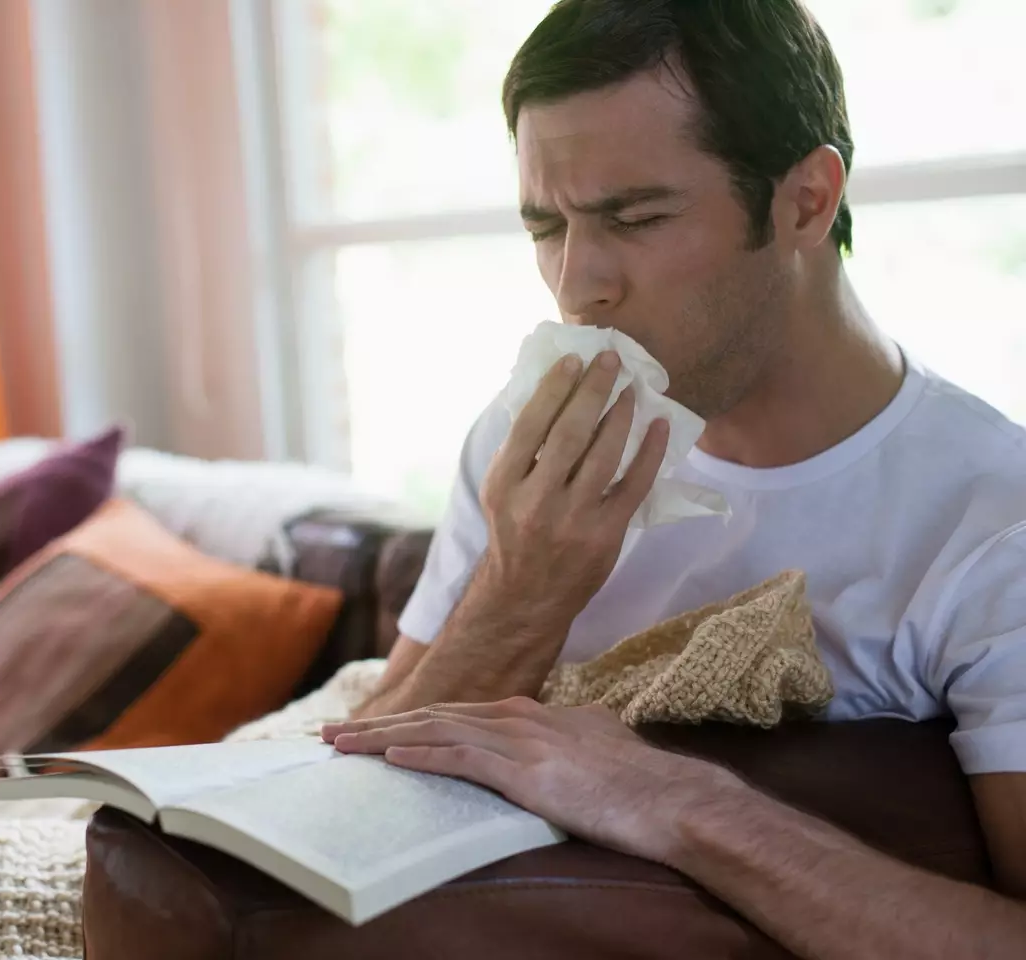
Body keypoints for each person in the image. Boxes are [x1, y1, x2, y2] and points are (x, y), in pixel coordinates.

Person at [320, 1, 1026, 956]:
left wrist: (677, 800)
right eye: (545, 226)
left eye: (637, 216)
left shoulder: (989, 525)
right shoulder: (522, 441)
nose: (578, 284)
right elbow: (338, 825)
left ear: (806, 201)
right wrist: (520, 594)